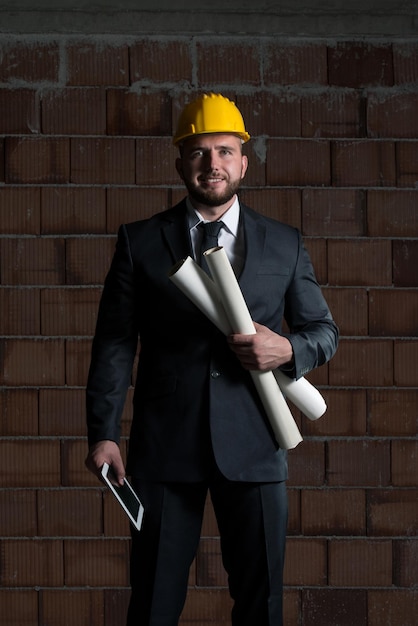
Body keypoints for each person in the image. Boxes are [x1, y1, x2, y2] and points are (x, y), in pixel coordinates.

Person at [85, 92, 339, 626]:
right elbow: (113, 343)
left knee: (261, 602)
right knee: (154, 603)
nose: (213, 164)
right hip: (165, 448)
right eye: (199, 153)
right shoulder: (141, 242)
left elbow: (324, 331)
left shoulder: (284, 244)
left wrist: (289, 348)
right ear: (181, 161)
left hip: (255, 443)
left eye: (225, 151)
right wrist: (103, 432)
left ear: (244, 161)